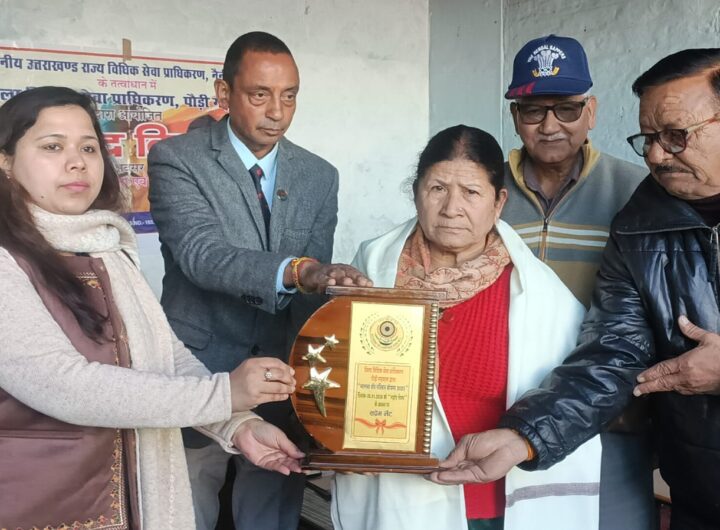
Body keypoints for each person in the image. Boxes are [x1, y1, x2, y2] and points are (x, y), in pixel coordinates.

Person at [433, 48, 720, 530]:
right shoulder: (641, 220)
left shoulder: (623, 191)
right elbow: (614, 352)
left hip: (632, 440)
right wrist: (525, 436)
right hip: (699, 492)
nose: (656, 154)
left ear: (589, 111)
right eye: (648, 139)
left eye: (675, 136)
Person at [0, 86, 304, 530]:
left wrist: (236, 424)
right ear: (5, 162)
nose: (77, 162)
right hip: (49, 504)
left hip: (139, 501)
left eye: (89, 147)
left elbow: (166, 356)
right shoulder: (6, 259)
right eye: (52, 147)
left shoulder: (106, 247)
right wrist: (224, 393)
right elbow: (62, 384)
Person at [147, 32, 370, 530]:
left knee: (269, 516)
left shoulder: (319, 175)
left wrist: (328, 371)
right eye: (260, 95)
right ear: (224, 93)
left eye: (289, 96)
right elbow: (202, 255)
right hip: (198, 373)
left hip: (282, 380)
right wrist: (299, 270)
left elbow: (313, 290)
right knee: (185, 512)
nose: (277, 112)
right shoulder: (176, 159)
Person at [332, 125, 602, 530]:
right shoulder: (372, 269)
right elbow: (332, 376)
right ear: (416, 193)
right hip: (397, 495)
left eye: (471, 192)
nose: (451, 208)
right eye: (437, 188)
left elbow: (577, 392)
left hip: (497, 503)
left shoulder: (541, 293)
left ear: (498, 202)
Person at [500, 34, 652, 529]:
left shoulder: (638, 191)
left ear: (591, 111)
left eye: (566, 109)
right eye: (533, 111)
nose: (550, 126)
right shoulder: (483, 192)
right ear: (515, 116)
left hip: (610, 417)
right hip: (499, 412)